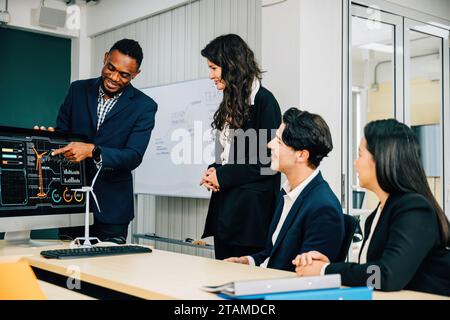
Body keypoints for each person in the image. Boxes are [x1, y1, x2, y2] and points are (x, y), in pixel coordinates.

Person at [294, 119, 450, 296]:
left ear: (381, 159)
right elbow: (369, 271)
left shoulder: (414, 210)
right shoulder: (378, 214)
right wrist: (327, 266)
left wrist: (326, 270)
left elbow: (386, 276)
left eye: (360, 155)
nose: (355, 163)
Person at [51, 39, 157, 243]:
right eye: (111, 68)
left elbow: (133, 156)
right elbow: (62, 135)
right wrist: (49, 138)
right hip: (72, 203)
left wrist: (93, 151)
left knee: (109, 270)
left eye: (124, 75)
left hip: (113, 209)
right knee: (66, 271)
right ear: (106, 57)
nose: (114, 78)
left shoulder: (145, 106)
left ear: (135, 75)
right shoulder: (77, 90)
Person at [224, 108, 344, 271]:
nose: (269, 145)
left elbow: (307, 275)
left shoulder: (323, 208)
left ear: (301, 155)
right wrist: (247, 261)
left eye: (278, 142)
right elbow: (272, 254)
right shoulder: (287, 193)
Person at [199, 34, 282, 259]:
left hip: (250, 219)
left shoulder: (265, 102)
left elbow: (268, 163)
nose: (211, 75)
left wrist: (223, 176)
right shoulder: (230, 102)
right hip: (226, 212)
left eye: (214, 68)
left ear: (231, 65)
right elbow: (227, 155)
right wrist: (214, 170)